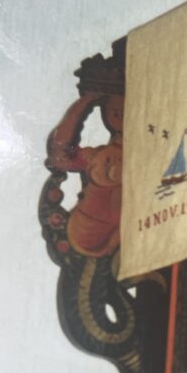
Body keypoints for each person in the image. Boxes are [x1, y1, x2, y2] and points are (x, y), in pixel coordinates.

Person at [47, 91, 123, 257]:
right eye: (115, 111)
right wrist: (83, 105)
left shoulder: (98, 159)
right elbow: (60, 155)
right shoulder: (96, 157)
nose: (121, 115)